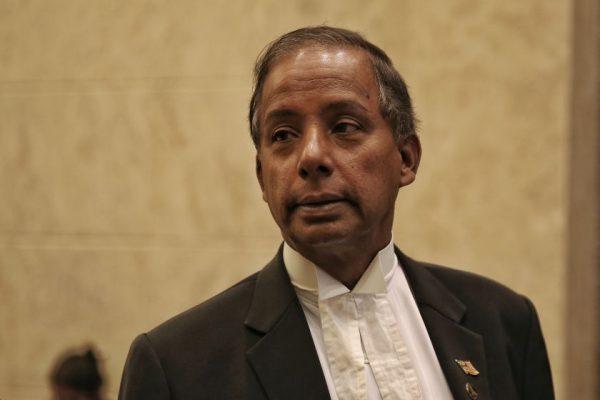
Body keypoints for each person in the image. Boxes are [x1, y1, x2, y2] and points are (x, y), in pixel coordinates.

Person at [119, 26, 554, 399]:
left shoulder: (503, 323)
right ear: (262, 177)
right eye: (283, 135)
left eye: (344, 126)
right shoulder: (177, 365)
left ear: (405, 158)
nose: (311, 156)